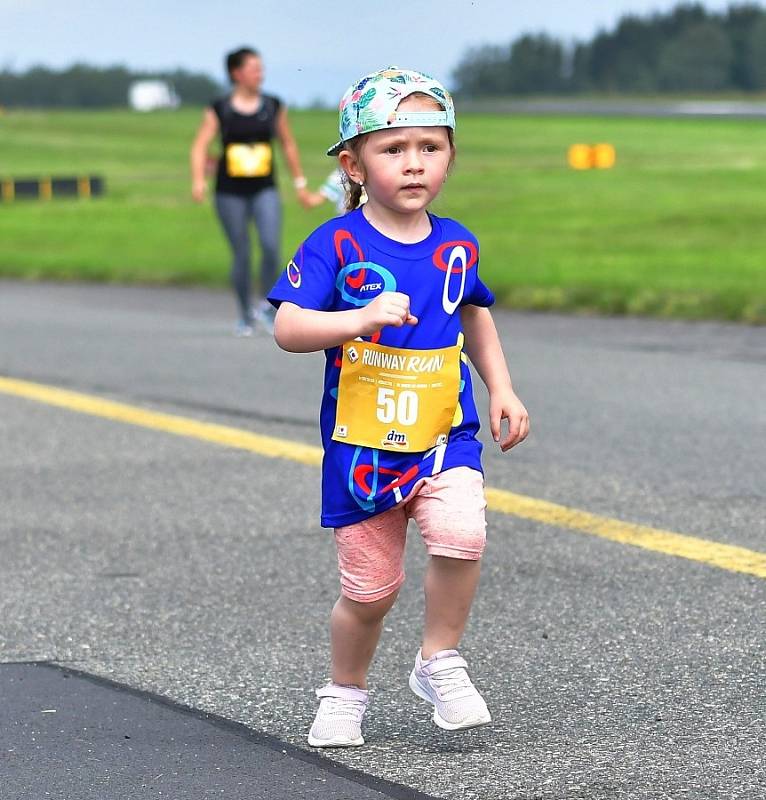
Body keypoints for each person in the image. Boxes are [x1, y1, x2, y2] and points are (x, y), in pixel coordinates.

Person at [267, 67, 529, 748]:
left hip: (446, 434)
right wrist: (353, 319)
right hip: (363, 452)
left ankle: (439, 659)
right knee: (370, 592)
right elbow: (288, 328)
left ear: (450, 155)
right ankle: (344, 694)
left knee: (463, 536)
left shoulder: (457, 243)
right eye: (393, 149)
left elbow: (473, 313)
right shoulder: (335, 245)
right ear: (354, 164)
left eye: (430, 147)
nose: (414, 163)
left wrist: (501, 386)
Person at [190, 47, 310, 336]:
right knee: (242, 252)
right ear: (237, 73)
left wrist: (300, 183)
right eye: (254, 68)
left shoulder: (272, 105)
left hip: (264, 188)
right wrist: (198, 180)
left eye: (261, 67)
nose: (260, 73)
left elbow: (288, 144)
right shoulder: (220, 108)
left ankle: (268, 309)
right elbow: (200, 145)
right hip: (229, 191)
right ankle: (245, 314)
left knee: (270, 246)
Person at [301, 168, 367, 216]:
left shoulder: (339, 176)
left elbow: (311, 202)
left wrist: (300, 184)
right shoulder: (371, 171)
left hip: (348, 227)